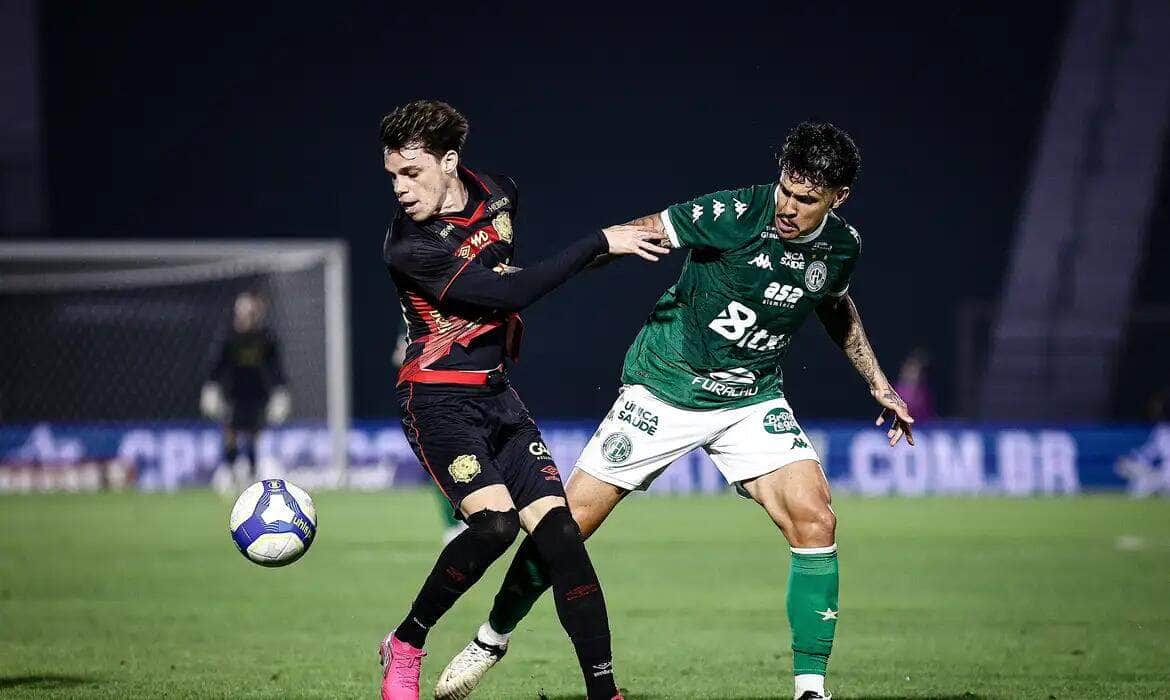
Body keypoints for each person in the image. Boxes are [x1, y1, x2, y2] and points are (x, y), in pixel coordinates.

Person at [438, 122, 916, 700]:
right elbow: (644, 232)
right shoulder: (735, 212)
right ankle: (492, 636)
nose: (789, 207)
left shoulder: (842, 247)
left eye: (807, 200)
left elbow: (834, 306)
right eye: (786, 189)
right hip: (664, 389)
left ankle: (811, 689)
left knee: (816, 519)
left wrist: (878, 383)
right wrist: (545, 275)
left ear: (838, 198)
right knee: (563, 530)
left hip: (750, 399)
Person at [377, 99, 666, 700]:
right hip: (437, 401)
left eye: (412, 173)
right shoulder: (408, 246)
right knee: (496, 526)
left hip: (497, 396)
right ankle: (406, 643)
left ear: (449, 162)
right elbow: (510, 293)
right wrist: (597, 242)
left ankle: (605, 693)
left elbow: (518, 276)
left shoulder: (498, 193)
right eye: (393, 177)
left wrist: (610, 249)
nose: (401, 189)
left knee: (561, 537)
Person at [200, 291, 290, 489]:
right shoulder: (228, 336)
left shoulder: (265, 337)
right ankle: (230, 472)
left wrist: (280, 391)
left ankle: (250, 475)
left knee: (253, 435)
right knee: (231, 433)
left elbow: (275, 367)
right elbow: (216, 364)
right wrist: (211, 387)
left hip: (257, 393)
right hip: (232, 393)